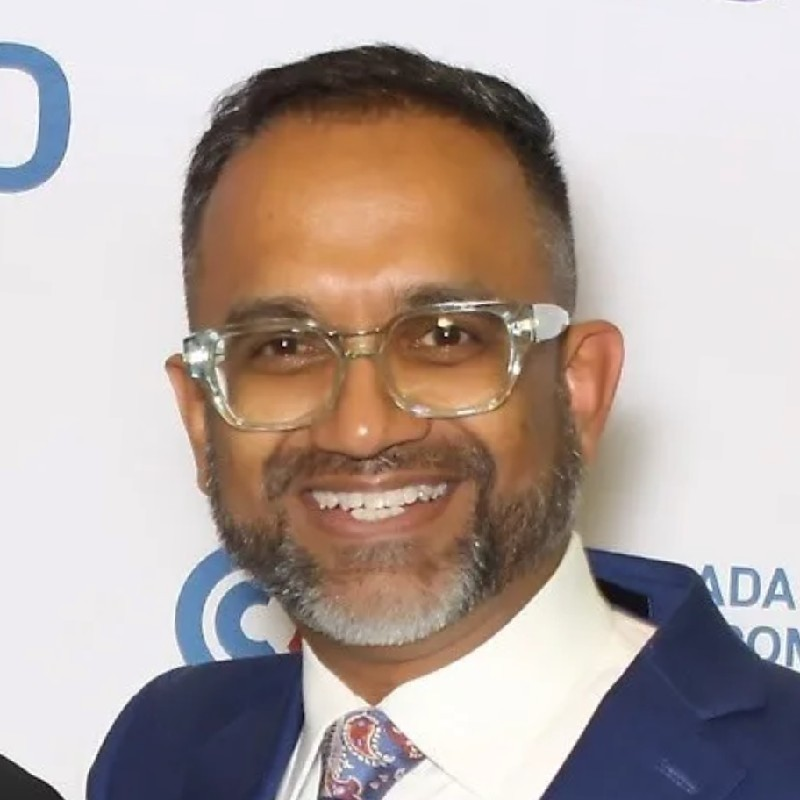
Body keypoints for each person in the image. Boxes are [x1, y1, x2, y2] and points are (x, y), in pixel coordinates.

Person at [88, 45, 800, 800]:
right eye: (285, 347)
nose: (362, 429)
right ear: (201, 417)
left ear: (579, 390)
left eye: (444, 337)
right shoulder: (161, 751)